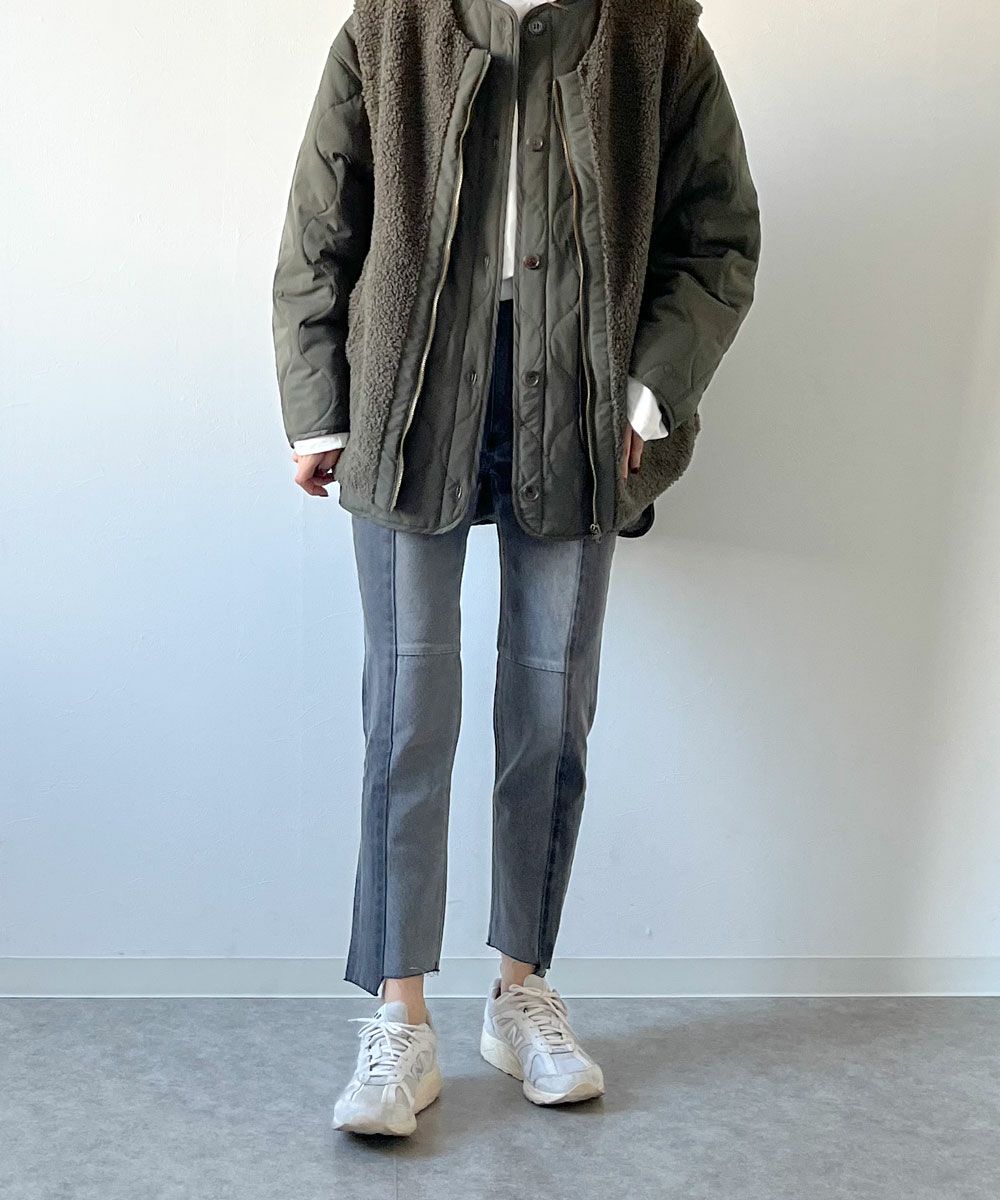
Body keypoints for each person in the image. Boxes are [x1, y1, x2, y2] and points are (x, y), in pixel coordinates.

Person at [273, 0, 759, 1137]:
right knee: (406, 711)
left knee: (551, 707)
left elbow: (717, 233)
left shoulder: (653, 33)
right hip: (408, 402)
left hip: (581, 408)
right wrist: (319, 408)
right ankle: (399, 1018)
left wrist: (653, 389)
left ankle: (520, 993)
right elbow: (319, 228)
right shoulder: (390, 24)